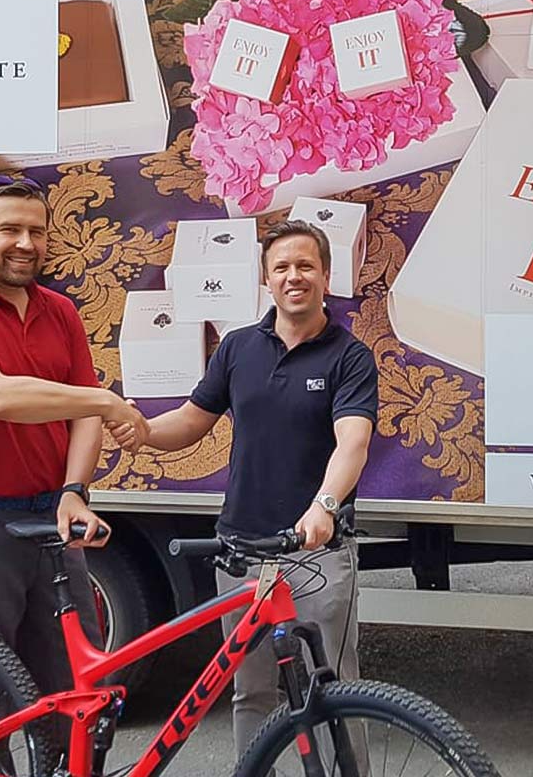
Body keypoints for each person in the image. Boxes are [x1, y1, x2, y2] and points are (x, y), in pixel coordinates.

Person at [110, 219, 378, 759]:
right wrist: (142, 433)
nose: (293, 276)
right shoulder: (237, 348)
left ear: (326, 275)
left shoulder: (349, 357)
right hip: (241, 550)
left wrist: (323, 506)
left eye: (305, 265)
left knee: (331, 691)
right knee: (250, 691)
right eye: (281, 267)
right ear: (267, 279)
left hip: (315, 551)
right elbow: (190, 420)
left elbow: (353, 441)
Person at [0, 175, 150, 735]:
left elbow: (82, 415)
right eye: (9, 229)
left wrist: (74, 491)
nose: (25, 243)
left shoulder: (59, 310)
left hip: (51, 515)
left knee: (75, 684)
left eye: (37, 231)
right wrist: (104, 399)